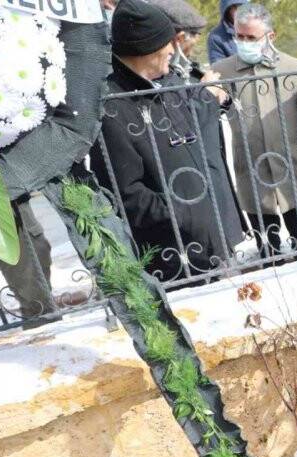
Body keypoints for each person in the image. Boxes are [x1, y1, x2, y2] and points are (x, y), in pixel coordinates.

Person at [90, 0, 245, 282]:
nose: (174, 51)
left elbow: (190, 132)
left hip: (212, 239)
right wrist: (186, 212)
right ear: (144, 48)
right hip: (175, 255)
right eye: (166, 44)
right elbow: (127, 194)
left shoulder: (169, 79)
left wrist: (209, 98)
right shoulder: (112, 108)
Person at [212, 3, 297, 254]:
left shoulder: (293, 67)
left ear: (270, 36)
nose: (244, 42)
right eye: (240, 36)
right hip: (252, 170)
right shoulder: (222, 71)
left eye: (251, 37)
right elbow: (211, 113)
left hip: (292, 168)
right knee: (268, 252)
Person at [150, 0, 207, 80]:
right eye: (196, 34)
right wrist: (206, 90)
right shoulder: (158, 73)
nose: (198, 39)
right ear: (181, 38)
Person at [207, 0, 244, 64]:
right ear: (228, 10)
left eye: (242, 6)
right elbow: (218, 68)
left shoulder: (257, 27)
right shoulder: (216, 37)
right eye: (235, 7)